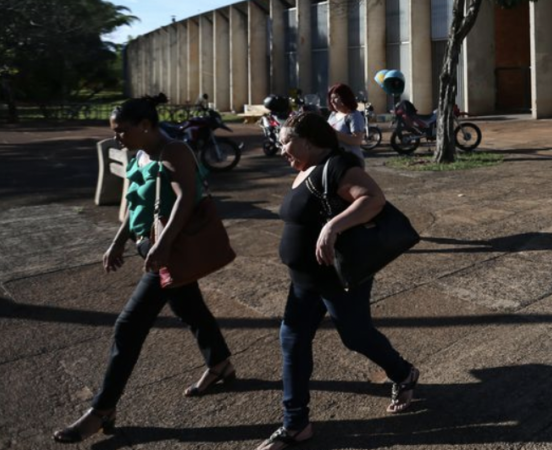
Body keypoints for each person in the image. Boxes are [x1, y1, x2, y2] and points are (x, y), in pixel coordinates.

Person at [53, 95, 234, 443]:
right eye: (115, 132)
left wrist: (163, 244)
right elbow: (135, 200)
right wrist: (119, 241)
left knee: (128, 327)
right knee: (190, 307)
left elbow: (186, 196)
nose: (118, 138)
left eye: (122, 131)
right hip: (148, 245)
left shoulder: (174, 151)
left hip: (167, 249)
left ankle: (103, 408)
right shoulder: (139, 153)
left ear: (146, 125)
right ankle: (221, 363)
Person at [258, 111, 418, 450]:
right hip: (303, 280)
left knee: (356, 337)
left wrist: (333, 227)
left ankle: (403, 373)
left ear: (309, 140)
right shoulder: (304, 169)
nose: (281, 147)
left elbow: (373, 199)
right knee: (292, 342)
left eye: (286, 141)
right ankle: (295, 423)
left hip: (337, 278)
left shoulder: (338, 166)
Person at [326, 82, 367, 165]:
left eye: (336, 97)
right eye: (331, 98)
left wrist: (334, 133)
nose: (332, 101)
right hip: (334, 160)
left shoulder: (354, 115)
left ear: (345, 97)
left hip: (350, 162)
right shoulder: (333, 115)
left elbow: (357, 140)